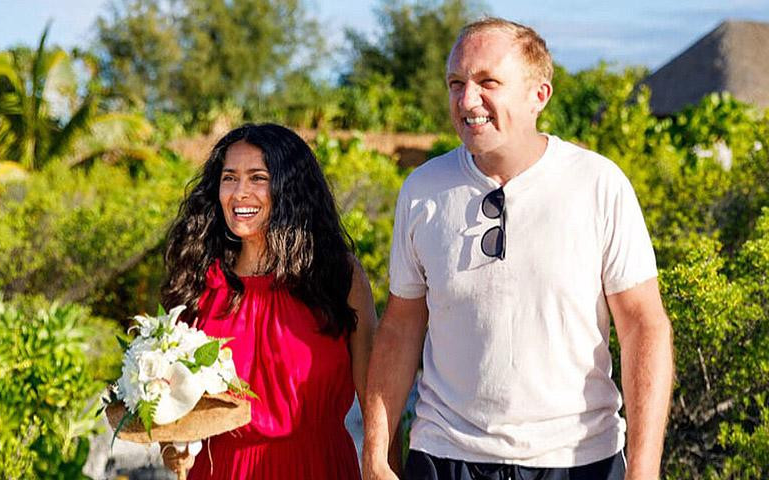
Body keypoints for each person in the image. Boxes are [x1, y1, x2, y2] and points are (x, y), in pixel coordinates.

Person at [362, 18, 674, 480]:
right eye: (456, 83)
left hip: (577, 460)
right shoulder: (422, 190)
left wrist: (643, 470)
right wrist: (375, 452)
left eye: (488, 82)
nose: (468, 101)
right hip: (444, 457)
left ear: (538, 95)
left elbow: (643, 327)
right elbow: (400, 327)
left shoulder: (598, 184)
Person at [158, 123, 379, 479]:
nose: (239, 192)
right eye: (229, 178)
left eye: (257, 177)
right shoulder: (197, 282)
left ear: (289, 188)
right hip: (221, 471)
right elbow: (172, 402)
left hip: (318, 468)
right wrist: (170, 446)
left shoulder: (338, 275)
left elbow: (377, 402)